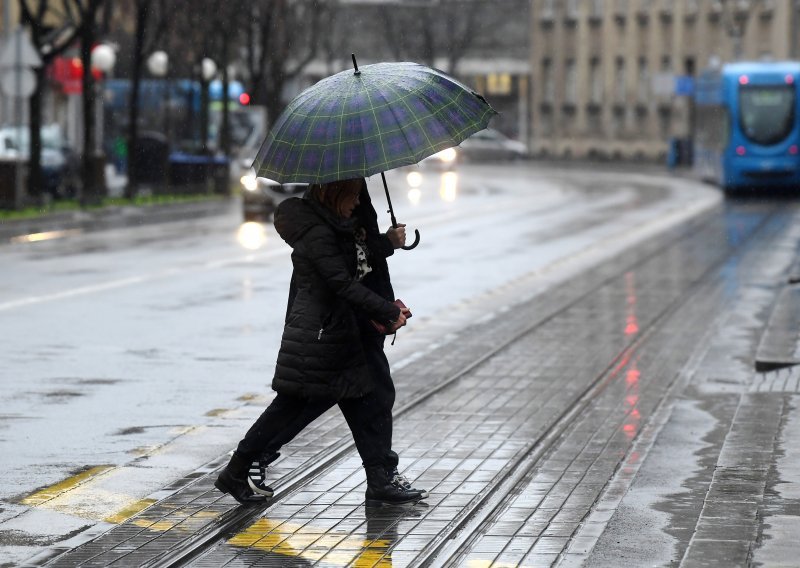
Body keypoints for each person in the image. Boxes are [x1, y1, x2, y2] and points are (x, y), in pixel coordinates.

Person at [215, 177, 427, 506]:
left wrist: (386, 243)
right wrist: (386, 310)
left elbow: (358, 260)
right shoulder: (319, 232)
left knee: (368, 398)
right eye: (353, 197)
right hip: (323, 334)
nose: (357, 204)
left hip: (339, 329)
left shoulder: (336, 224)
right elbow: (342, 283)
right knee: (294, 405)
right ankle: (241, 466)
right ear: (334, 194)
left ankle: (380, 477)